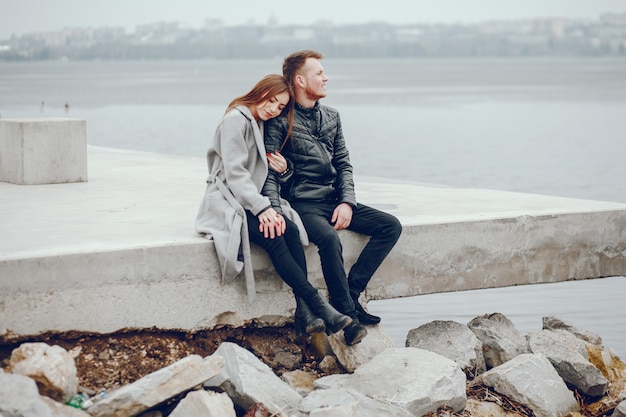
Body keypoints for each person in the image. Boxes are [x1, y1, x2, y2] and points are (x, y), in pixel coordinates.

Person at [195, 74, 352, 339]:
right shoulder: (236, 120)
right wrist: (263, 209)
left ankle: (304, 313)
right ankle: (318, 306)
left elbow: (265, 168)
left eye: (280, 107)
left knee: (290, 230)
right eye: (271, 101)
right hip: (228, 200)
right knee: (275, 234)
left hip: (249, 199)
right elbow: (235, 175)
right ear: (260, 92)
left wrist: (284, 172)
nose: (273, 109)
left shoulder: (258, 122)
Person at [263, 51, 403, 346]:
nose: (326, 78)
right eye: (319, 73)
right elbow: (271, 174)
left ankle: (350, 294)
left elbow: (344, 164)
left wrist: (347, 202)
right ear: (300, 80)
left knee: (390, 226)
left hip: (333, 198)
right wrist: (274, 210)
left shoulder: (332, 116)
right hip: (303, 202)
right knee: (328, 238)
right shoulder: (279, 120)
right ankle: (347, 313)